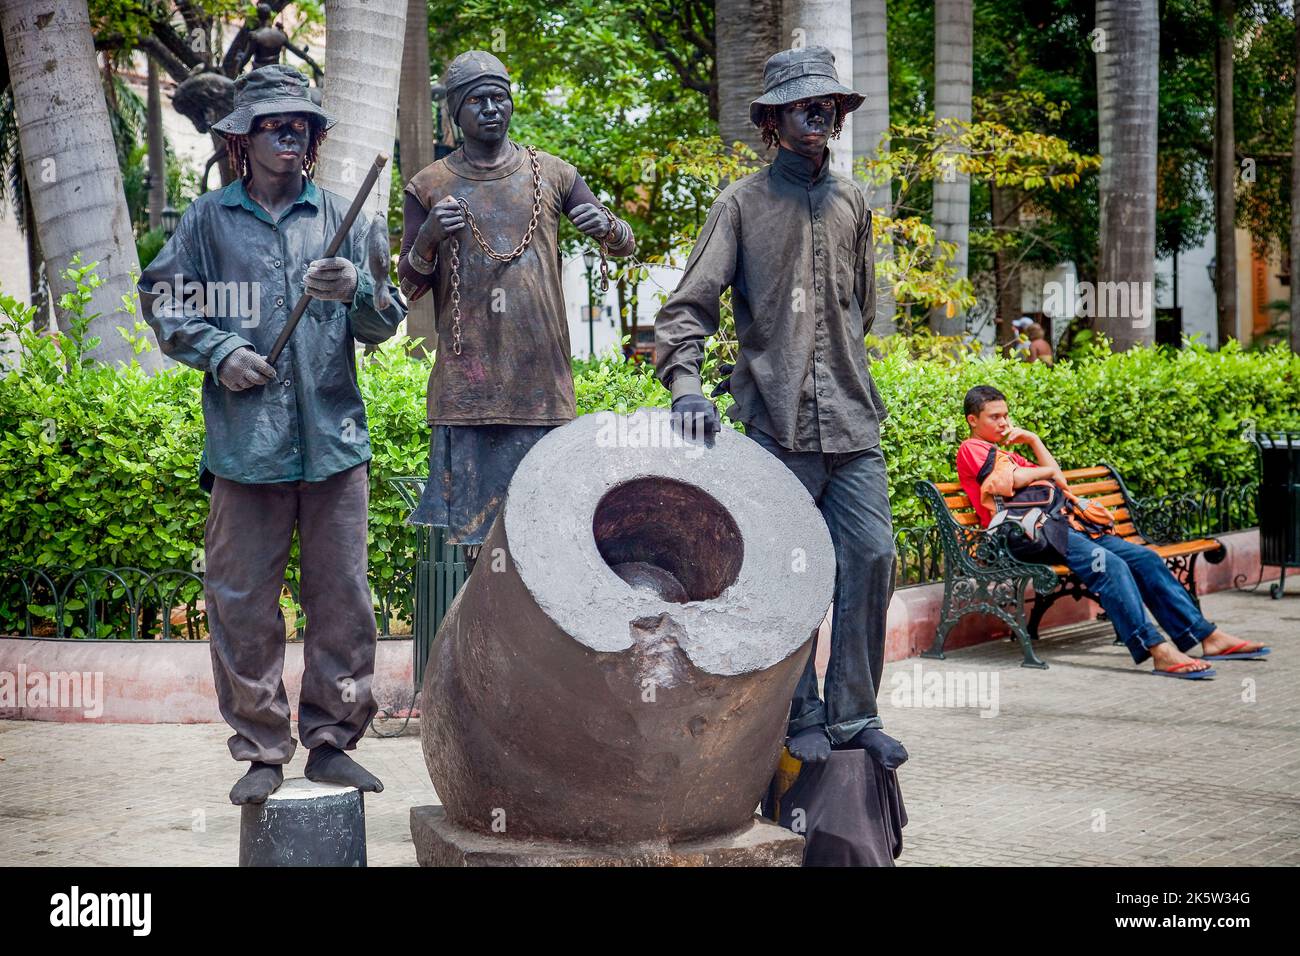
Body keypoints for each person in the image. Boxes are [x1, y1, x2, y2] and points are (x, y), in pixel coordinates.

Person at [140, 65, 405, 804]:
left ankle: (331, 741)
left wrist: (358, 292)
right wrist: (220, 351)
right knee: (241, 602)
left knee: (345, 602)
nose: (291, 137)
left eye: (303, 127)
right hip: (244, 449)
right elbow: (164, 302)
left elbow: (384, 322)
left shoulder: (345, 219)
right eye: (275, 126)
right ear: (242, 141)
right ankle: (261, 748)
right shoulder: (205, 222)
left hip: (334, 444)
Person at [654, 46, 906, 771]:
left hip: (854, 423)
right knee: (788, 576)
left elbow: (861, 308)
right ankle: (797, 715)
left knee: (872, 556)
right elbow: (686, 311)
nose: (819, 112)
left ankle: (856, 716)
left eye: (827, 103)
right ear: (772, 121)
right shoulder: (741, 204)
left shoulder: (855, 201)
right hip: (775, 429)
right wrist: (687, 387)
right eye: (803, 104)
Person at [397, 50, 636, 560]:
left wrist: (610, 229)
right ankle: (482, 638)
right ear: (456, 112)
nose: (491, 109)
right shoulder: (428, 185)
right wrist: (430, 239)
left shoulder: (552, 173)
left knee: (548, 536)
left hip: (541, 387)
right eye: (477, 100)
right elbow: (410, 285)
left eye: (499, 98)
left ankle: (532, 642)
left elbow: (624, 245)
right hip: (469, 394)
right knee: (479, 549)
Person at [956, 385, 1270, 678]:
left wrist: (1034, 441)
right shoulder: (972, 448)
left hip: (1056, 526)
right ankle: (1157, 649)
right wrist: (1046, 472)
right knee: (1109, 565)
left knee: (1144, 558)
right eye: (994, 417)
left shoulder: (1006, 451)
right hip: (1022, 536)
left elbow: (1059, 480)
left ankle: (1206, 636)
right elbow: (1017, 479)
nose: (1003, 422)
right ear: (973, 420)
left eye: (1005, 415)